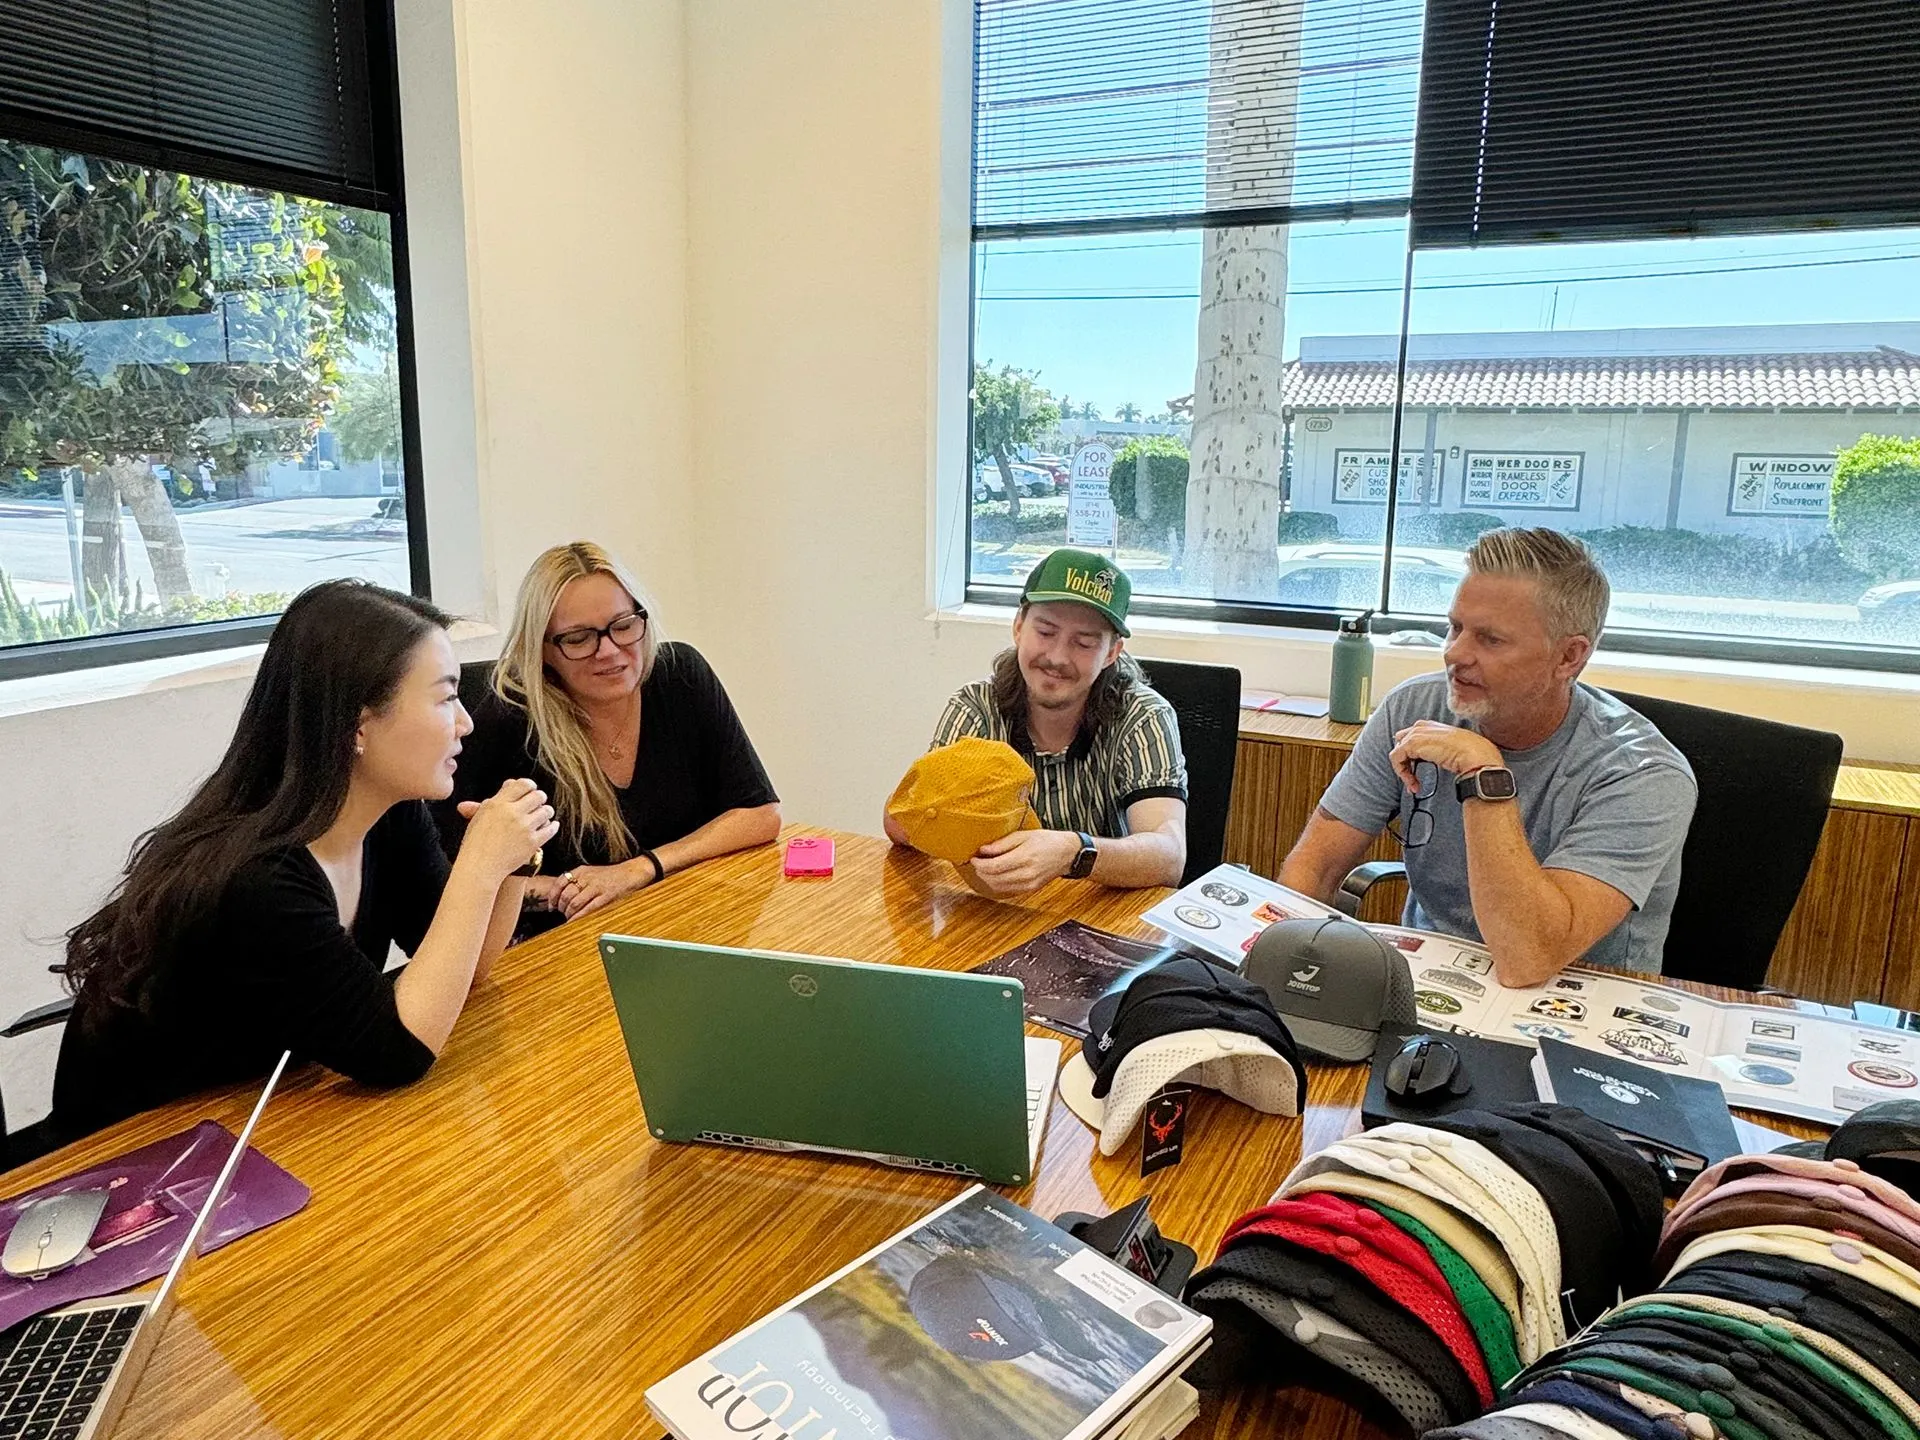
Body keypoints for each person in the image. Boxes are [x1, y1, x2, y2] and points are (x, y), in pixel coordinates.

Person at [54, 581, 556, 1133]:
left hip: (259, 1117)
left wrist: (510, 861)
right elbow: (398, 1052)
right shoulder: (258, 878)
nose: (466, 723)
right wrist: (479, 864)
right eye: (445, 698)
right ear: (358, 725)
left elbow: (469, 969)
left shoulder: (389, 816)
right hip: (132, 1154)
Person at [1279, 528, 1696, 986]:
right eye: (1454, 627)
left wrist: (1485, 775)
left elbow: (1528, 959)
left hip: (1577, 1003)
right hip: (1429, 983)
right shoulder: (1413, 709)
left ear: (1569, 657)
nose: (1455, 654)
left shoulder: (1643, 774)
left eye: (1490, 639)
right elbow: (1314, 867)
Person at [442, 542, 779, 928]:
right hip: (563, 937)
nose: (610, 651)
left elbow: (760, 814)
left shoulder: (679, 676)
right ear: (542, 650)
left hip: (686, 912)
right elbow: (455, 872)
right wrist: (571, 889)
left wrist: (639, 870)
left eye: (623, 626)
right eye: (579, 638)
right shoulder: (505, 716)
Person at [887, 547, 1186, 895]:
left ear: (1111, 654)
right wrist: (917, 813)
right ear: (1018, 628)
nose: (1058, 657)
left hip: (1103, 914)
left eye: (1084, 643)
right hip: (993, 910)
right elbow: (902, 819)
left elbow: (1169, 857)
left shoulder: (1143, 716)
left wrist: (1074, 852)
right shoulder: (975, 708)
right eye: (1045, 632)